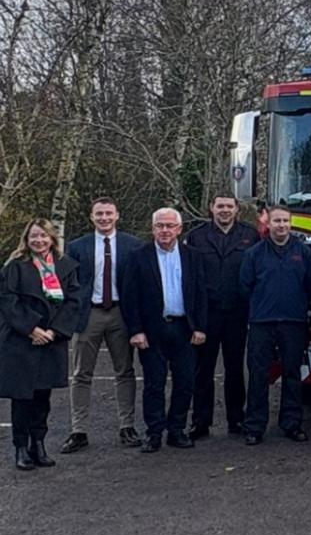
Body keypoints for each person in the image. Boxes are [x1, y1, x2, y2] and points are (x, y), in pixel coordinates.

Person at [121, 208, 209, 453]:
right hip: (152, 330)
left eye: (170, 226)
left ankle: (177, 430)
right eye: (160, 225)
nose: (165, 230)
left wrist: (200, 327)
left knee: (185, 382)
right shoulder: (138, 257)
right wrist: (136, 331)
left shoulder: (193, 256)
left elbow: (201, 294)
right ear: (152, 229)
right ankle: (154, 433)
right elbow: (130, 297)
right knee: (154, 384)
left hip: (184, 328)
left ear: (179, 229)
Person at [62, 197, 144, 453]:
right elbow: (69, 284)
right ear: (92, 217)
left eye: (109, 213)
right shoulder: (77, 247)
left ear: (117, 215)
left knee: (125, 371)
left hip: (121, 314)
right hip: (89, 314)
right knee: (81, 374)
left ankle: (127, 426)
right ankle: (78, 430)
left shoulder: (133, 245)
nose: (104, 218)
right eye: (99, 214)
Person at [1, 219, 81, 470]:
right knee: (22, 398)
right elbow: (8, 301)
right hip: (22, 340)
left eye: (43, 236)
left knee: (42, 397)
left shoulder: (65, 266)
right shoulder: (15, 266)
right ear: (26, 239)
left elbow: (73, 302)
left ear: (52, 238)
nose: (39, 241)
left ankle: (39, 444)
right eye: (34, 236)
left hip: (51, 340)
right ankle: (21, 448)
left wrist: (54, 331)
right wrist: (31, 329)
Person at [239, 205, 311, 445]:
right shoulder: (254, 253)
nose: (281, 225)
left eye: (285, 221)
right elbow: (244, 287)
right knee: (258, 375)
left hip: (293, 322)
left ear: (291, 223)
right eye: (277, 221)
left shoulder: (303, 252)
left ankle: (292, 423)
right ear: (268, 224)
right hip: (262, 322)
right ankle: (255, 426)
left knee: (292, 375)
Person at [186, 193, 259, 440]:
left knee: (235, 368)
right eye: (220, 206)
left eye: (229, 206)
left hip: (237, 312)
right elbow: (190, 276)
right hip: (206, 314)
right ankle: (200, 421)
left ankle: (236, 419)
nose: (224, 210)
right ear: (212, 208)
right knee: (203, 369)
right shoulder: (196, 236)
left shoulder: (250, 236)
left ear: (237, 209)